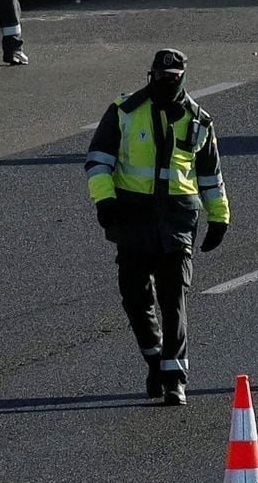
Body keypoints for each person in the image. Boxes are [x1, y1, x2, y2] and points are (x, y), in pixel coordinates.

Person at [84, 49, 230, 405]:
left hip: (178, 219)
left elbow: (211, 176)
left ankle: (175, 377)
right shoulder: (125, 111)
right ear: (150, 75)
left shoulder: (199, 120)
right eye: (161, 76)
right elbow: (97, 161)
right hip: (133, 217)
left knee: (173, 298)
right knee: (134, 296)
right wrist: (105, 201)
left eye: (174, 77)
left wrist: (219, 217)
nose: (167, 83)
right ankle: (155, 359)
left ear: (183, 77)